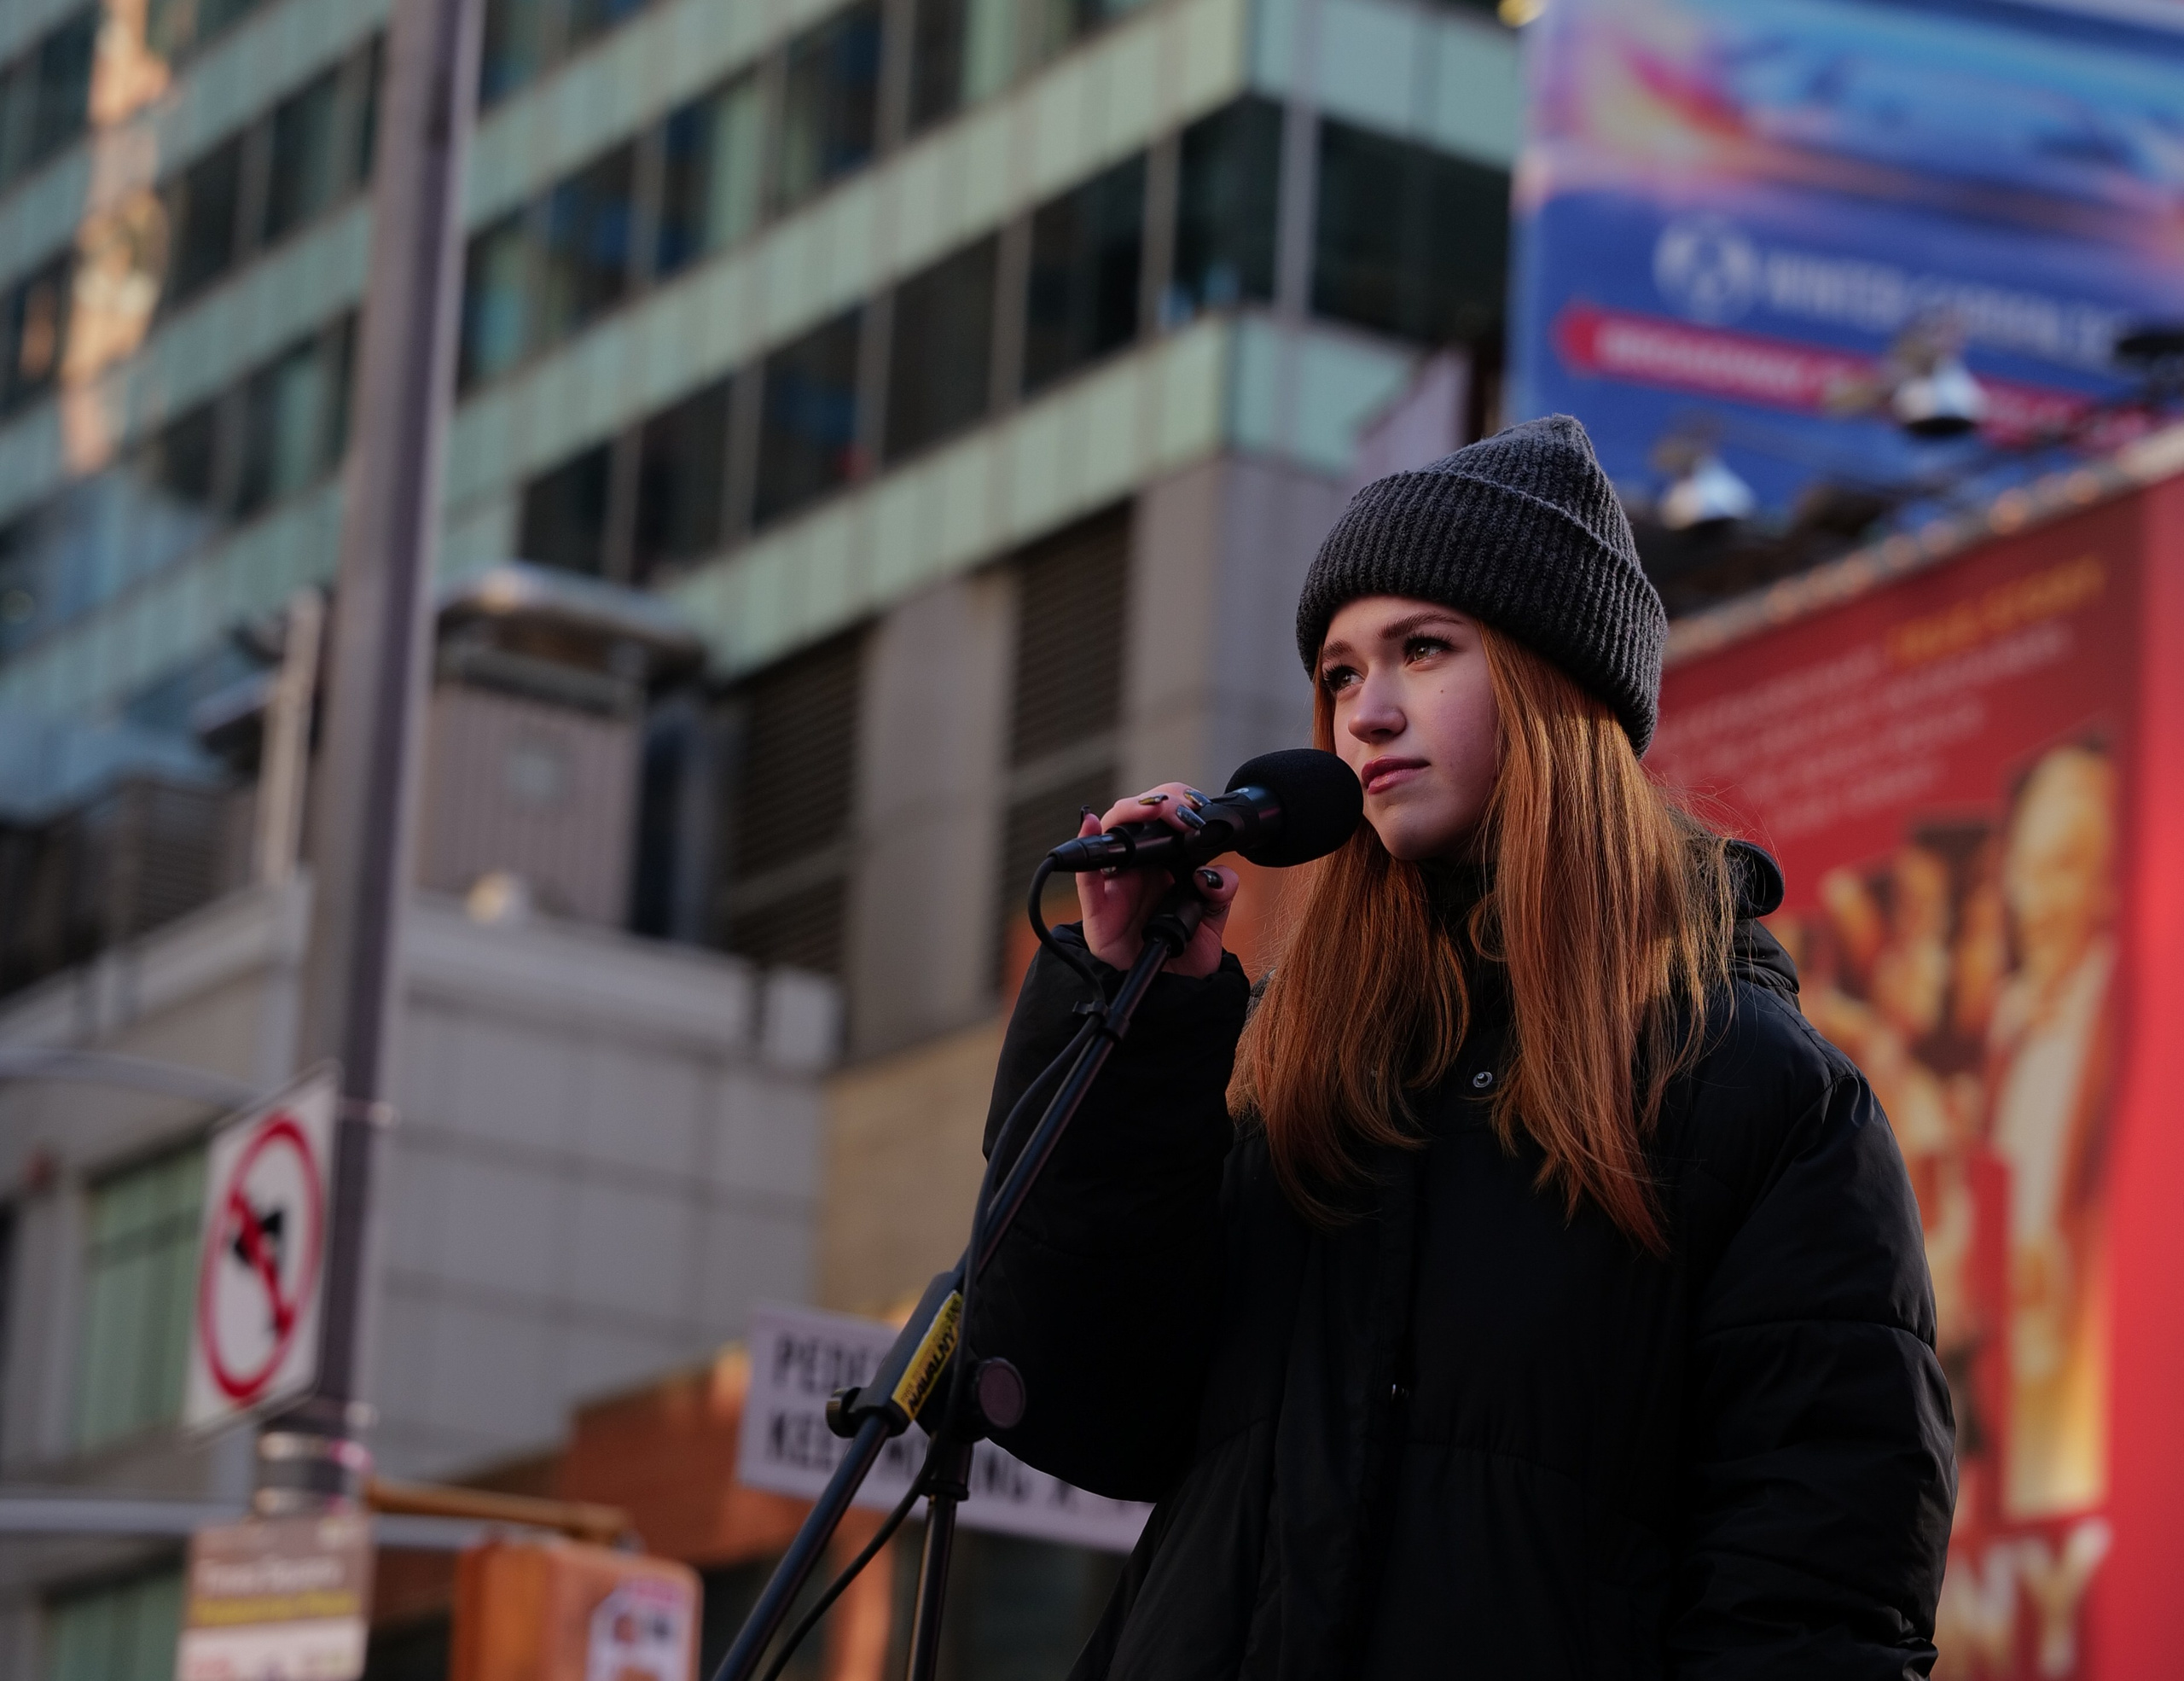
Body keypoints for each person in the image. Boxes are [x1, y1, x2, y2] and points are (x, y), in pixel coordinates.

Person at [968, 416, 1955, 1679]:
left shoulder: (1760, 1098)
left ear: (1557, 689)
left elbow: (1816, 1609)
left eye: (1422, 651)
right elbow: (1083, 1403)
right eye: (1336, 673)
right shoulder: (1292, 1073)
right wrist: (1137, 1013)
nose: (1367, 714)